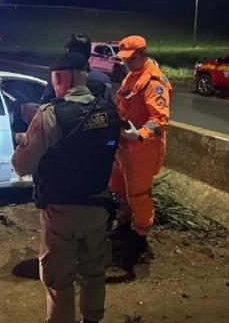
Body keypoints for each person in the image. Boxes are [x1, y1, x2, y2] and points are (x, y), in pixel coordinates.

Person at [12, 52, 121, 323]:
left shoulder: (50, 115)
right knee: (94, 272)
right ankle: (92, 319)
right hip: (98, 208)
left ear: (61, 77)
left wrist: (24, 139)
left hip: (61, 212)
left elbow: (21, 165)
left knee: (59, 280)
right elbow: (109, 147)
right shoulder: (108, 110)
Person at [107, 35, 171, 265]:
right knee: (120, 187)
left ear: (142, 54)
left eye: (130, 59)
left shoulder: (153, 81)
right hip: (125, 144)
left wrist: (140, 134)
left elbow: (160, 119)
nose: (125, 63)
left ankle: (139, 237)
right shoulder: (131, 77)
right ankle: (125, 224)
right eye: (124, 59)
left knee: (138, 193)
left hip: (143, 148)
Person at [39, 33, 111, 103]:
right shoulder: (104, 79)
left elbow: (45, 103)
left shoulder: (60, 78)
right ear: (89, 53)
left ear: (68, 52)